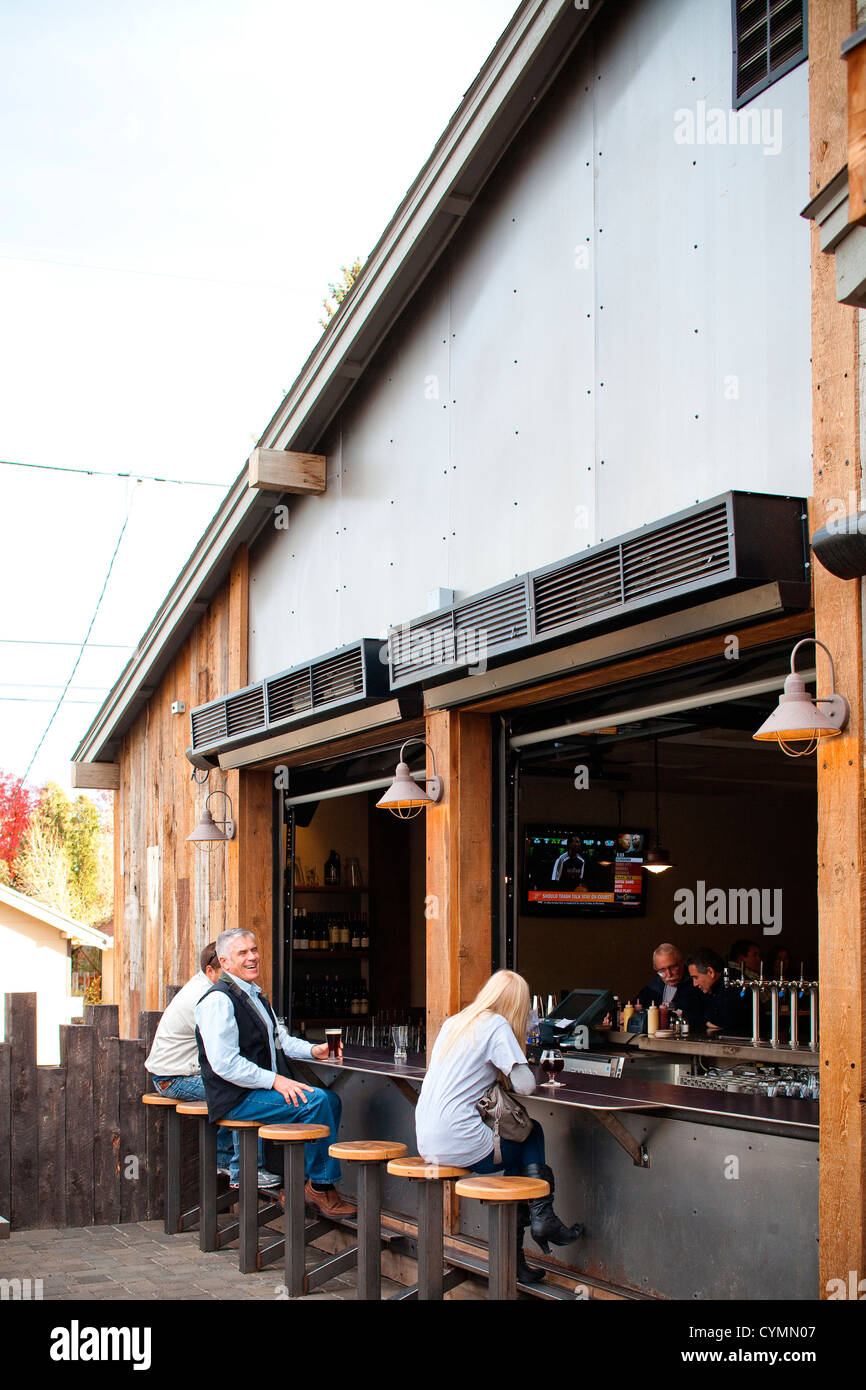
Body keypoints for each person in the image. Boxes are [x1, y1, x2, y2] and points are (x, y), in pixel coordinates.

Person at [414, 970, 582, 1285]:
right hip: (460, 1143)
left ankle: (517, 1257)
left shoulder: (456, 1022)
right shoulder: (497, 1025)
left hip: (427, 1142)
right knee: (531, 1132)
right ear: (517, 1006)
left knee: (518, 1154)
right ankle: (542, 1216)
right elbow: (526, 1086)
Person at [195, 927, 355, 1218]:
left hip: (256, 1091)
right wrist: (276, 1080)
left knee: (329, 1100)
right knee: (316, 1102)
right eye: (242, 953)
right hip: (235, 1098)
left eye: (254, 950)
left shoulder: (254, 995)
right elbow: (225, 1063)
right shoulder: (219, 1000)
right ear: (225, 962)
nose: (252, 957)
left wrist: (313, 1050)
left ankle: (309, 1184)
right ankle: (320, 1187)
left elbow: (280, 1040)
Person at [145, 942, 277, 1186]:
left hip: (180, 1072)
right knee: (244, 1092)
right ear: (210, 971)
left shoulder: (214, 991)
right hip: (174, 1078)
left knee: (240, 1085)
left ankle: (226, 1160)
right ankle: (246, 1171)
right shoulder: (207, 998)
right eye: (226, 970)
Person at [687, 947, 752, 1035]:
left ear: (710, 972)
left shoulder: (735, 983)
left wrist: (704, 1020)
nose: (694, 984)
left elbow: (723, 1022)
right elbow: (692, 1014)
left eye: (696, 977)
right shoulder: (708, 987)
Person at [636, 942, 696, 1016]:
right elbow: (636, 1005)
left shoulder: (696, 984)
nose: (669, 974)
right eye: (662, 970)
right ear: (656, 969)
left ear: (682, 963)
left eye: (673, 967)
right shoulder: (654, 986)